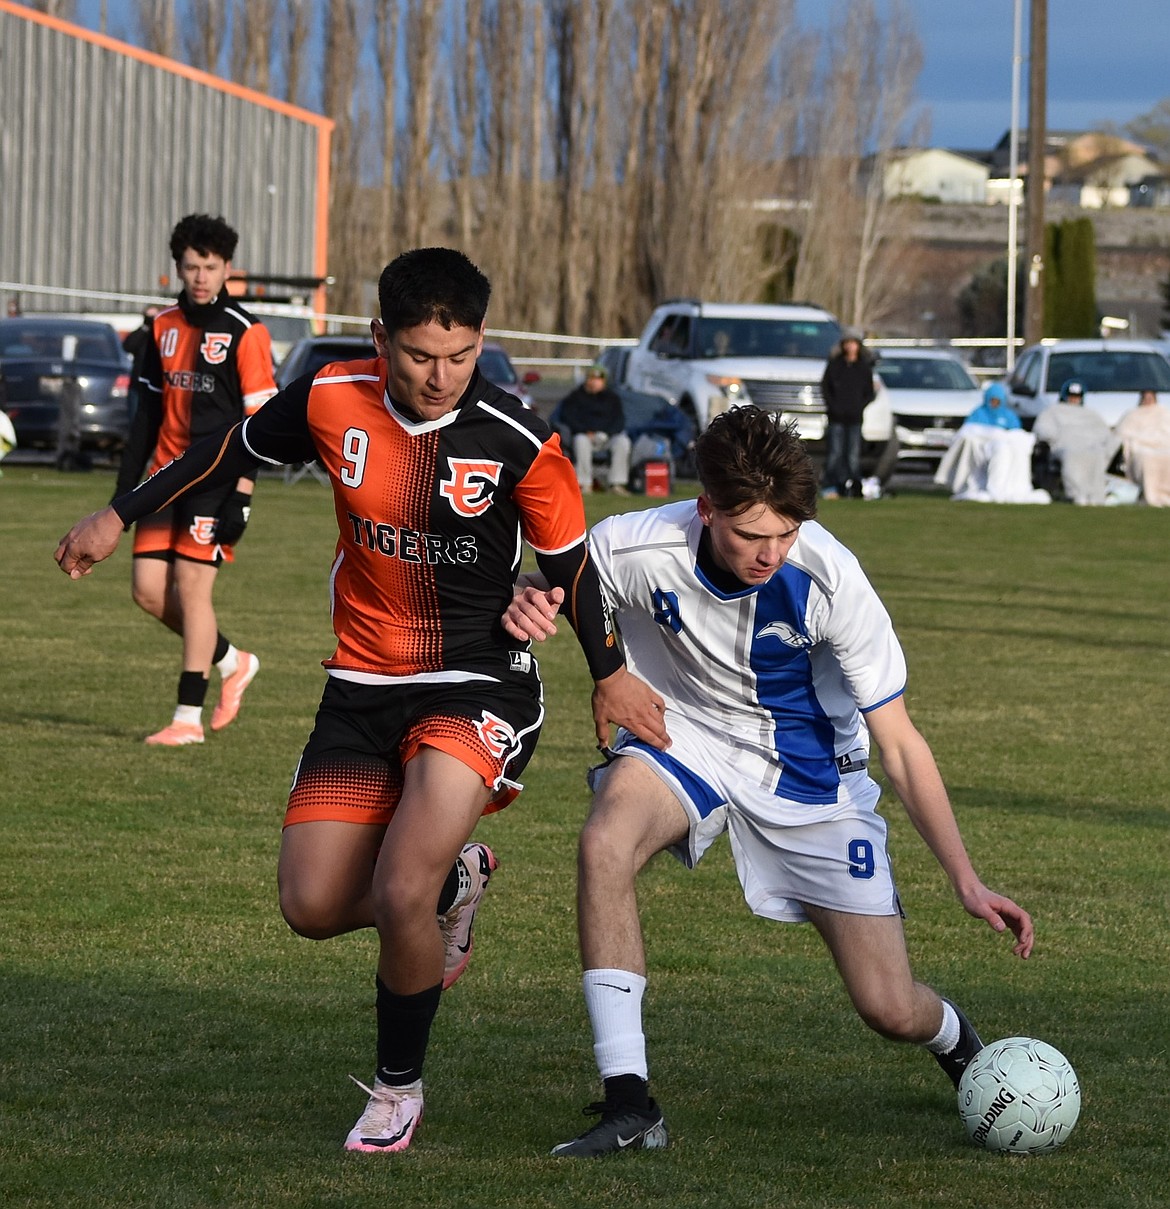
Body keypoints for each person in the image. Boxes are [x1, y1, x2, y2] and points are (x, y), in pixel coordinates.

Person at [56, 246, 670, 1155]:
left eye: (459, 357)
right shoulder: (331, 393)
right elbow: (223, 451)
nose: (439, 376)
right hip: (360, 683)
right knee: (309, 904)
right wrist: (119, 513)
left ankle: (396, 1089)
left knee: (398, 885)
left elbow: (571, 568)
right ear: (382, 337)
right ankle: (460, 883)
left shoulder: (519, 437)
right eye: (420, 355)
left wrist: (610, 669)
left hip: (478, 681)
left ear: (481, 343)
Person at [503, 406, 1034, 1157]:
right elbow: (566, 583)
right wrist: (531, 593)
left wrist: (967, 880)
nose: (771, 553)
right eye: (752, 534)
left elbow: (902, 745)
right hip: (684, 737)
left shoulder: (830, 575)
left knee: (888, 1006)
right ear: (706, 508)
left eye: (785, 533)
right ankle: (630, 1103)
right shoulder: (640, 542)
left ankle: (954, 1037)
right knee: (604, 842)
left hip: (812, 781)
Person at [114, 214, 277, 744]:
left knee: (192, 589)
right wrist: (123, 492)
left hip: (215, 482)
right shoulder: (161, 327)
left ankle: (187, 720)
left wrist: (244, 494)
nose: (201, 276)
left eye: (210, 266)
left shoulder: (246, 332)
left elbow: (260, 425)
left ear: (228, 268)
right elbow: (145, 416)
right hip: (163, 478)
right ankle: (233, 659)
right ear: (178, 269)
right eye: (191, 266)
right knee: (145, 592)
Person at [1031, 379, 1119, 506]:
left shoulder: (1091, 414)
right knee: (1073, 456)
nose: (1074, 400)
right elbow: (1043, 428)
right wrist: (1052, 437)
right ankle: (1077, 495)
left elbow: (1104, 432)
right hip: (1066, 446)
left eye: (1077, 397)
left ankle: (1095, 497)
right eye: (1071, 396)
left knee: (1097, 455)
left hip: (1090, 446)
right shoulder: (1053, 411)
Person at [554, 363, 632, 494]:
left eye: (598, 380)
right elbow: (568, 418)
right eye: (591, 379)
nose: (594, 382)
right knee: (580, 440)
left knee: (623, 442)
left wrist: (608, 432)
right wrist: (585, 431)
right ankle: (584, 484)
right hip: (586, 436)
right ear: (586, 380)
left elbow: (619, 420)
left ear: (604, 381)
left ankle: (616, 484)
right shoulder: (575, 397)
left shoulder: (612, 398)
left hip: (608, 436)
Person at [820, 327, 876, 498]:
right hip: (836, 417)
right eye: (848, 343)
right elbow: (825, 388)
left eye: (854, 344)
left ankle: (852, 487)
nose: (851, 347)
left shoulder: (863, 368)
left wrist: (859, 406)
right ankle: (830, 485)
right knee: (835, 454)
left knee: (852, 455)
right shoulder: (835, 366)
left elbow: (869, 392)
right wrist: (833, 406)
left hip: (855, 417)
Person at [1114, 388, 1170, 506]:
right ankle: (1152, 496)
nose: (1148, 400)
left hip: (1162, 445)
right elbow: (1123, 433)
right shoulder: (1133, 414)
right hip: (1140, 446)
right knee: (1147, 459)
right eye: (1146, 397)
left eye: (1150, 397)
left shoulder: (1163, 412)